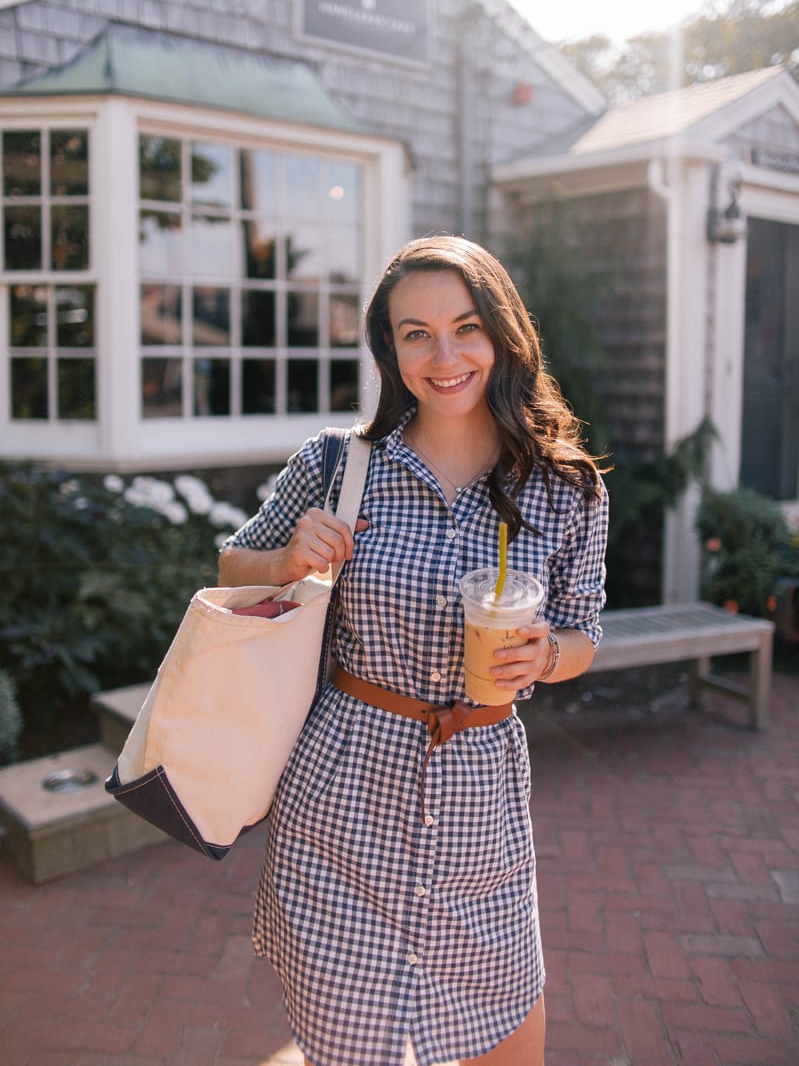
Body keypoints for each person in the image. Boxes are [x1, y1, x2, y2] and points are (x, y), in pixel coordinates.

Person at [218, 235, 609, 1066]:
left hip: (478, 802)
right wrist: (289, 558)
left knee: (506, 1041)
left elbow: (583, 634)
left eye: (466, 326)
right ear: (389, 350)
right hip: (341, 798)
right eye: (415, 333)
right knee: (346, 1046)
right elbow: (230, 565)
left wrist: (544, 657)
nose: (445, 355)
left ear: (503, 334)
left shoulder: (565, 485)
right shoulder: (337, 464)